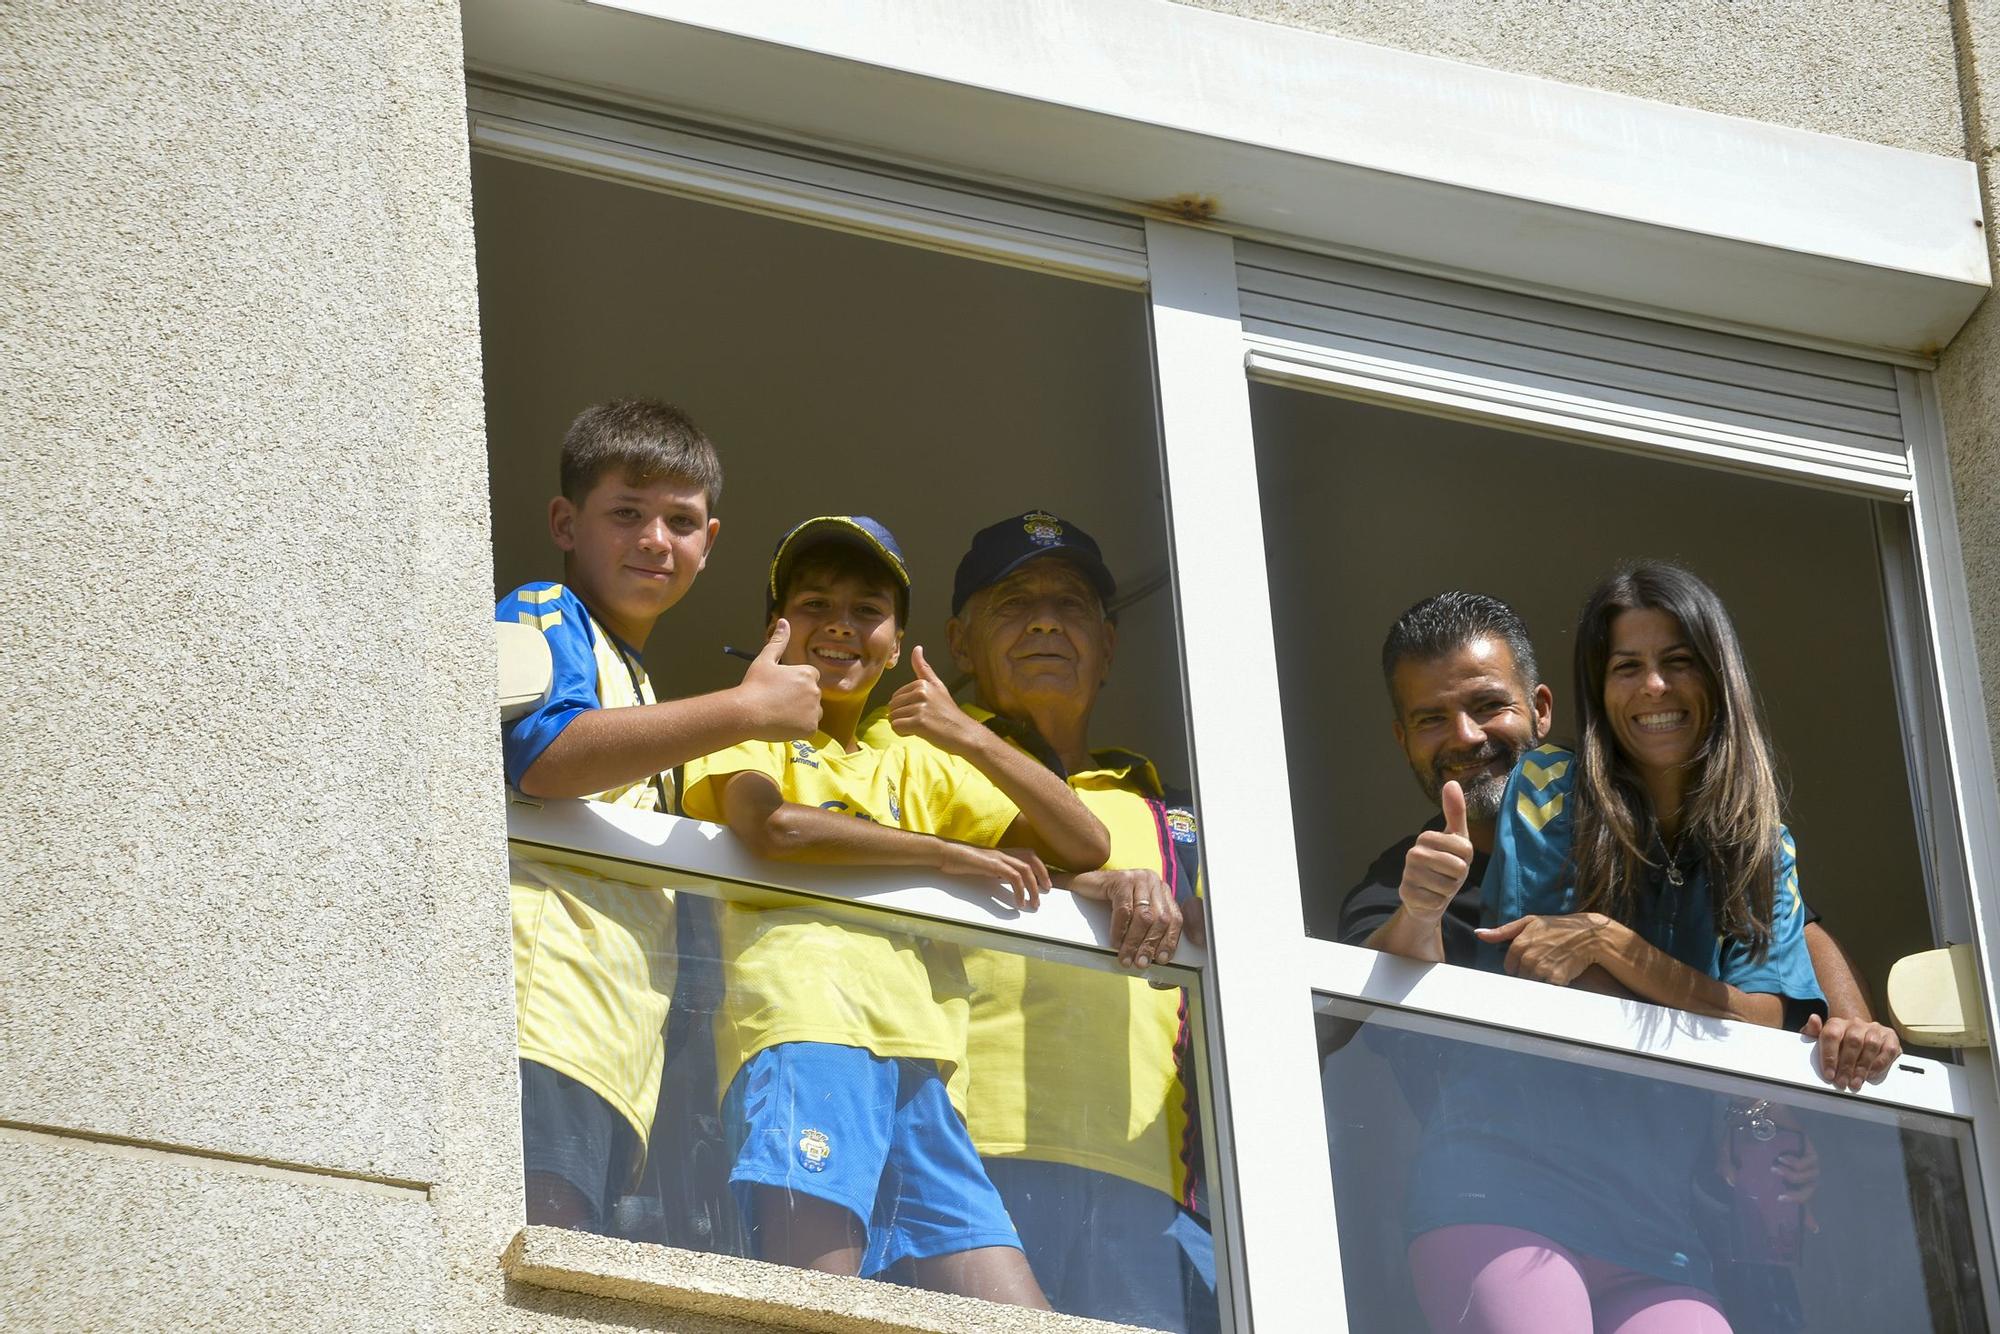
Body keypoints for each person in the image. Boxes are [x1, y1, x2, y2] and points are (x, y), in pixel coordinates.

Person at [1385, 564, 1864, 1333]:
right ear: (1596, 690)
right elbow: (1543, 975)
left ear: (1719, 677)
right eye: (1626, 668)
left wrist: (1610, 942)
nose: (1652, 689)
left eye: (1677, 663)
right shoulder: (1544, 785)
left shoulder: (1762, 844)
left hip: (1657, 1223)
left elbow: (1766, 1018)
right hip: (1504, 1189)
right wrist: (1703, 999)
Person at [678, 515, 1108, 1308]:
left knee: (1024, 1319)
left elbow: (1084, 842)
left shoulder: (913, 757)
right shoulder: (744, 720)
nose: (841, 624)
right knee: (822, 1306)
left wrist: (967, 735)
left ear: (900, 638)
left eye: (867, 608)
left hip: (924, 1064)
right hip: (809, 1031)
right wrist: (949, 854)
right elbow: (773, 827)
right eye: (813, 603)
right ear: (775, 627)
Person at [1341, 589, 1899, 1089]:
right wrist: (1419, 914)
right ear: (1402, 739)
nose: (1466, 736)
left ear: (1541, 711)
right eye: (1431, 719)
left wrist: (1854, 1029)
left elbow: (1790, 926)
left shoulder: (1624, 822)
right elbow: (1340, 1012)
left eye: (1488, 705)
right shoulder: (1398, 881)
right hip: (1498, 1160)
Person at [499, 399, 823, 1235]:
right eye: (626, 513)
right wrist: (746, 709)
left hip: (616, 1056)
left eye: (681, 521)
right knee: (547, 1262)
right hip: (547, 1022)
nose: (654, 539)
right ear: (566, 523)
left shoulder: (642, 684)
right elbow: (546, 754)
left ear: (709, 543)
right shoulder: (547, 609)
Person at [924, 510, 1216, 1332]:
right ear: (959, 642)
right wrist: (1082, 876)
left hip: (1146, 1179)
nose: (1048, 619)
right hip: (965, 1155)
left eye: (1073, 604)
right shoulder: (919, 753)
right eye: (1014, 601)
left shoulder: (1170, 815)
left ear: (1109, 646)